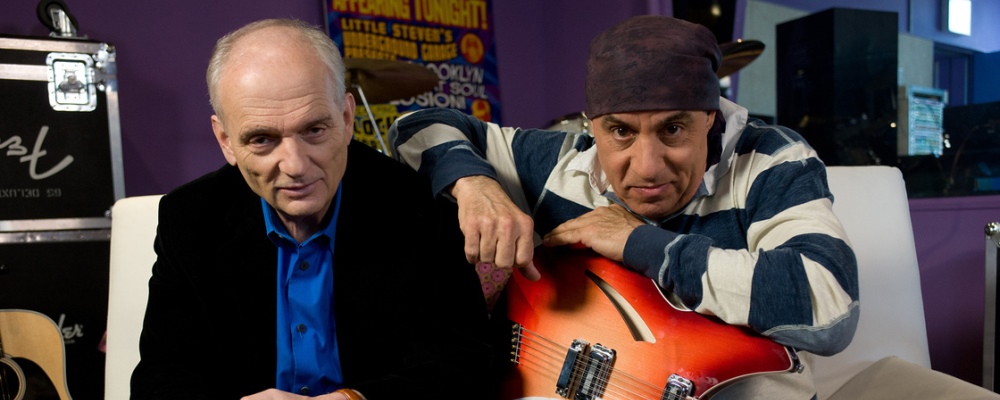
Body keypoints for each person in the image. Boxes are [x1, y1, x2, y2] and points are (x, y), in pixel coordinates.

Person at [390, 15, 859, 399]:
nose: (648, 167)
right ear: (592, 125)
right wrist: (476, 186)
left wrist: (638, 241)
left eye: (673, 129)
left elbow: (830, 308)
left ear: (711, 116)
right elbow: (416, 127)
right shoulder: (561, 161)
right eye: (620, 132)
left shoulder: (769, 160)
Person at [130, 18, 494, 399]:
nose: (295, 165)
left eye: (314, 130)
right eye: (262, 139)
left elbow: (464, 364)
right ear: (225, 141)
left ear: (346, 119)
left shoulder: (419, 205)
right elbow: (159, 380)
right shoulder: (188, 220)